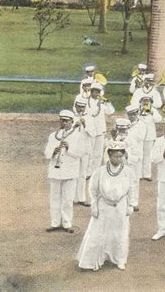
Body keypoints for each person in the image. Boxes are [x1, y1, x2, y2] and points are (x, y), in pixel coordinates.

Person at [77, 141, 137, 271]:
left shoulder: (128, 172)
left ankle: (119, 259)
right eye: (115, 156)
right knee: (98, 233)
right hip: (104, 206)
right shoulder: (100, 171)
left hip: (120, 206)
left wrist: (131, 205)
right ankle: (93, 260)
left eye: (120, 156)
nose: (118, 159)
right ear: (109, 155)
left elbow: (133, 188)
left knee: (120, 233)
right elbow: (93, 189)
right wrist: (94, 205)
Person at [44, 110, 86, 233]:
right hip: (55, 171)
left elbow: (81, 152)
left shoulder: (78, 135)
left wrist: (69, 147)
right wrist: (53, 151)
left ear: (72, 122)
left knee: (68, 199)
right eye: (62, 120)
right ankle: (55, 222)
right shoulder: (54, 135)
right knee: (54, 198)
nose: (64, 123)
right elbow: (46, 152)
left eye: (67, 121)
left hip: (70, 170)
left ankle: (67, 223)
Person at [86, 82, 115, 177]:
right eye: (95, 92)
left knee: (98, 152)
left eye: (98, 92)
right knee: (90, 152)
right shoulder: (87, 102)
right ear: (91, 92)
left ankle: (95, 171)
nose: (97, 94)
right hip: (90, 130)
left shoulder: (101, 102)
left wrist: (108, 103)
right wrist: (99, 105)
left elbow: (110, 112)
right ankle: (88, 171)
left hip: (100, 129)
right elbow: (92, 113)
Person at [72, 97, 93, 207]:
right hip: (73, 149)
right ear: (75, 106)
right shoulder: (71, 117)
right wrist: (74, 126)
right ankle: (72, 197)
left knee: (82, 174)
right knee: (73, 173)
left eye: (83, 107)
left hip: (84, 148)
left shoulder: (89, 118)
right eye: (79, 106)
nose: (80, 109)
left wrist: (85, 125)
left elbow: (93, 133)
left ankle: (81, 198)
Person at [139, 95, 162, 184]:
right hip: (139, 135)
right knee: (139, 154)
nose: (145, 102)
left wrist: (152, 112)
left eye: (148, 101)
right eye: (144, 100)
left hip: (149, 135)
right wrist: (141, 112)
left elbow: (158, 119)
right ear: (141, 102)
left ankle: (147, 174)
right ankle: (139, 174)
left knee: (148, 154)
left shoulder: (154, 110)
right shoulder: (138, 110)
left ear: (151, 102)